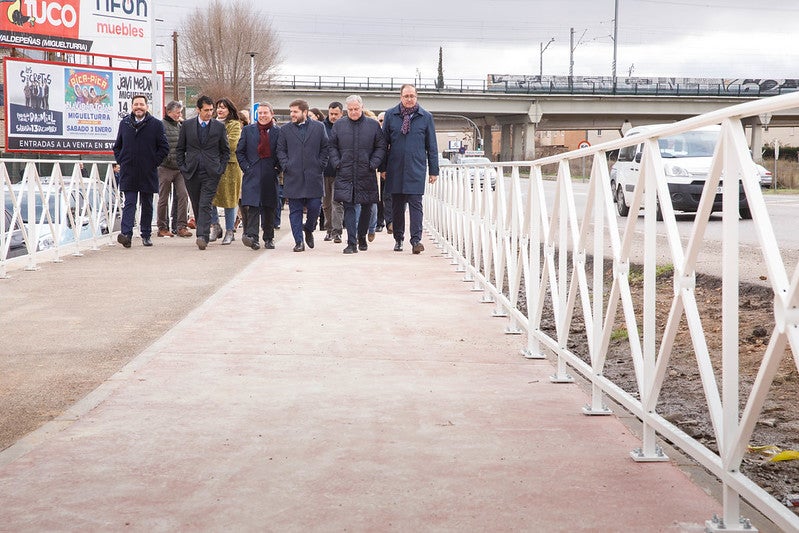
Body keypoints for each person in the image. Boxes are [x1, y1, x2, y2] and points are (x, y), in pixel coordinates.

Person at [381, 84, 438, 254]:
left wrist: (434, 170)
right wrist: (383, 168)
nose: (409, 99)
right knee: (397, 206)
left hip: (416, 168)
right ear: (401, 97)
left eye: (412, 96)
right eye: (406, 96)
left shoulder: (425, 117)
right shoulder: (391, 115)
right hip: (395, 167)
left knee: (416, 204)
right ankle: (398, 239)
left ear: (416, 97)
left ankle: (416, 241)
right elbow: (383, 144)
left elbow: (432, 146)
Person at [329, 95, 386, 254]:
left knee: (367, 206)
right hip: (345, 172)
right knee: (348, 206)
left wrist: (373, 163)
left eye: (356, 109)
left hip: (366, 172)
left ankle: (362, 236)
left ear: (362, 107)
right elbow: (332, 146)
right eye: (350, 109)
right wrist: (337, 162)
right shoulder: (339, 125)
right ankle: (351, 243)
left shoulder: (373, 125)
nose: (353, 112)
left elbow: (380, 147)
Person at [112, 94, 170, 248]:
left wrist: (153, 162)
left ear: (146, 107)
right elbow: (117, 146)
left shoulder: (156, 124)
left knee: (147, 204)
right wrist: (122, 160)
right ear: (132, 107)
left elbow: (164, 148)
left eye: (141, 104)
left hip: (147, 171)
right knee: (129, 203)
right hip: (129, 171)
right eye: (136, 104)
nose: (138, 107)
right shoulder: (125, 123)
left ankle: (146, 234)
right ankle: (126, 235)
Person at [176, 95, 230, 250]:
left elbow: (225, 151)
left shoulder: (218, 127)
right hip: (192, 171)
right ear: (198, 110)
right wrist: (183, 167)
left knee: (205, 203)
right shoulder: (187, 125)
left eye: (211, 110)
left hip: (211, 172)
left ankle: (202, 236)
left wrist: (220, 169)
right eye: (206, 110)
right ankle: (203, 233)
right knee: (196, 203)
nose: (209, 113)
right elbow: (180, 149)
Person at [276, 98, 329, 252]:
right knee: (295, 211)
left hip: (314, 175)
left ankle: (309, 228)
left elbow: (325, 147)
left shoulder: (319, 127)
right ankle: (298, 242)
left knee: (315, 207)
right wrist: (286, 165)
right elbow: (281, 150)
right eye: (291, 111)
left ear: (304, 112)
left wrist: (320, 164)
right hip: (293, 176)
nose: (292, 114)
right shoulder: (285, 130)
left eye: (295, 111)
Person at [236, 102, 281, 250]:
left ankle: (269, 238)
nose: (262, 115)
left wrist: (277, 168)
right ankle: (252, 238)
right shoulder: (248, 130)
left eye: (265, 113)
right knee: (253, 207)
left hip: (270, 174)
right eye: (260, 113)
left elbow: (282, 152)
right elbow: (240, 151)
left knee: (269, 207)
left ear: (271, 114)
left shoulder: (278, 132)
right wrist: (246, 168)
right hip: (252, 174)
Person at [209, 97, 243, 245]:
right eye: (218, 107)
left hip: (230, 166)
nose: (220, 110)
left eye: (223, 107)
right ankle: (215, 225)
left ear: (229, 110)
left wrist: (215, 142)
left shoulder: (234, 124)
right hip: (212, 165)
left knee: (229, 199)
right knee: (209, 197)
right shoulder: (211, 123)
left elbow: (232, 144)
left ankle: (230, 230)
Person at [157, 100, 192, 238]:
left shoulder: (180, 126)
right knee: (163, 198)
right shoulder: (161, 125)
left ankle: (181, 226)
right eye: (177, 113)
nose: (179, 115)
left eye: (180, 112)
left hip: (179, 168)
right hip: (165, 167)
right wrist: (164, 159)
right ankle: (162, 227)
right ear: (169, 112)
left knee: (183, 195)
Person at [321, 101, 344, 243]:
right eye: (331, 114)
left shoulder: (345, 127)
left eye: (336, 114)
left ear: (341, 114)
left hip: (339, 172)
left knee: (337, 203)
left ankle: (337, 231)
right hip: (324, 171)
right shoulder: (321, 127)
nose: (333, 116)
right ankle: (328, 229)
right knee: (326, 204)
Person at [376, 111, 390, 233]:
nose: (383, 123)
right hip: (376, 170)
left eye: (385, 121)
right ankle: (379, 222)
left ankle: (390, 221)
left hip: (390, 170)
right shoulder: (375, 134)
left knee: (389, 197)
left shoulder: (392, 134)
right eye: (380, 121)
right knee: (378, 198)